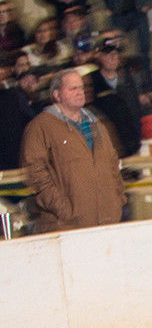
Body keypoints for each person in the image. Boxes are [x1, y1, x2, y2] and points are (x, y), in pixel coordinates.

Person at [20, 68, 127, 230]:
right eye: (73, 88)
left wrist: (118, 199)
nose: (80, 92)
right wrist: (63, 209)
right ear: (57, 95)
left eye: (81, 87)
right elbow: (36, 174)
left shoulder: (97, 123)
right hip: (67, 227)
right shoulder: (40, 127)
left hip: (108, 221)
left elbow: (113, 163)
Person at [89, 34, 148, 159]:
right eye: (108, 54)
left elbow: (135, 111)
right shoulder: (92, 81)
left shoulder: (130, 78)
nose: (113, 58)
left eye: (115, 54)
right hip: (107, 146)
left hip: (132, 143)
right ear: (99, 56)